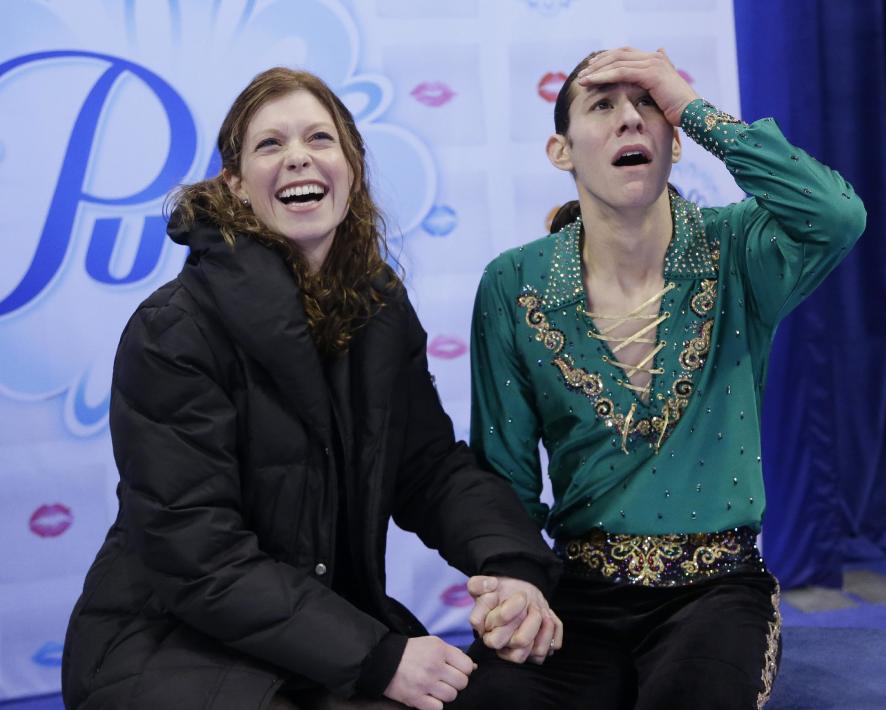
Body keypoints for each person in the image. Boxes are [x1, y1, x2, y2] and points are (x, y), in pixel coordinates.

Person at [61, 67, 564, 710]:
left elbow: (430, 470)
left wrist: (515, 568)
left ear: (350, 170)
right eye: (270, 144)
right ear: (235, 187)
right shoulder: (173, 331)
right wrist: (377, 657)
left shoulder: (379, 307)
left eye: (320, 138)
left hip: (320, 634)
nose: (299, 156)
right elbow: (198, 553)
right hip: (168, 645)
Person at [456, 47, 866, 709]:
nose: (628, 120)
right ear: (560, 151)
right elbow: (501, 473)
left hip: (715, 591)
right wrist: (513, 580)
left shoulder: (737, 250)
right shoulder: (515, 283)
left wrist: (692, 108)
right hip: (578, 595)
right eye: (602, 106)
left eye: (647, 105)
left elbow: (836, 217)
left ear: (674, 138)